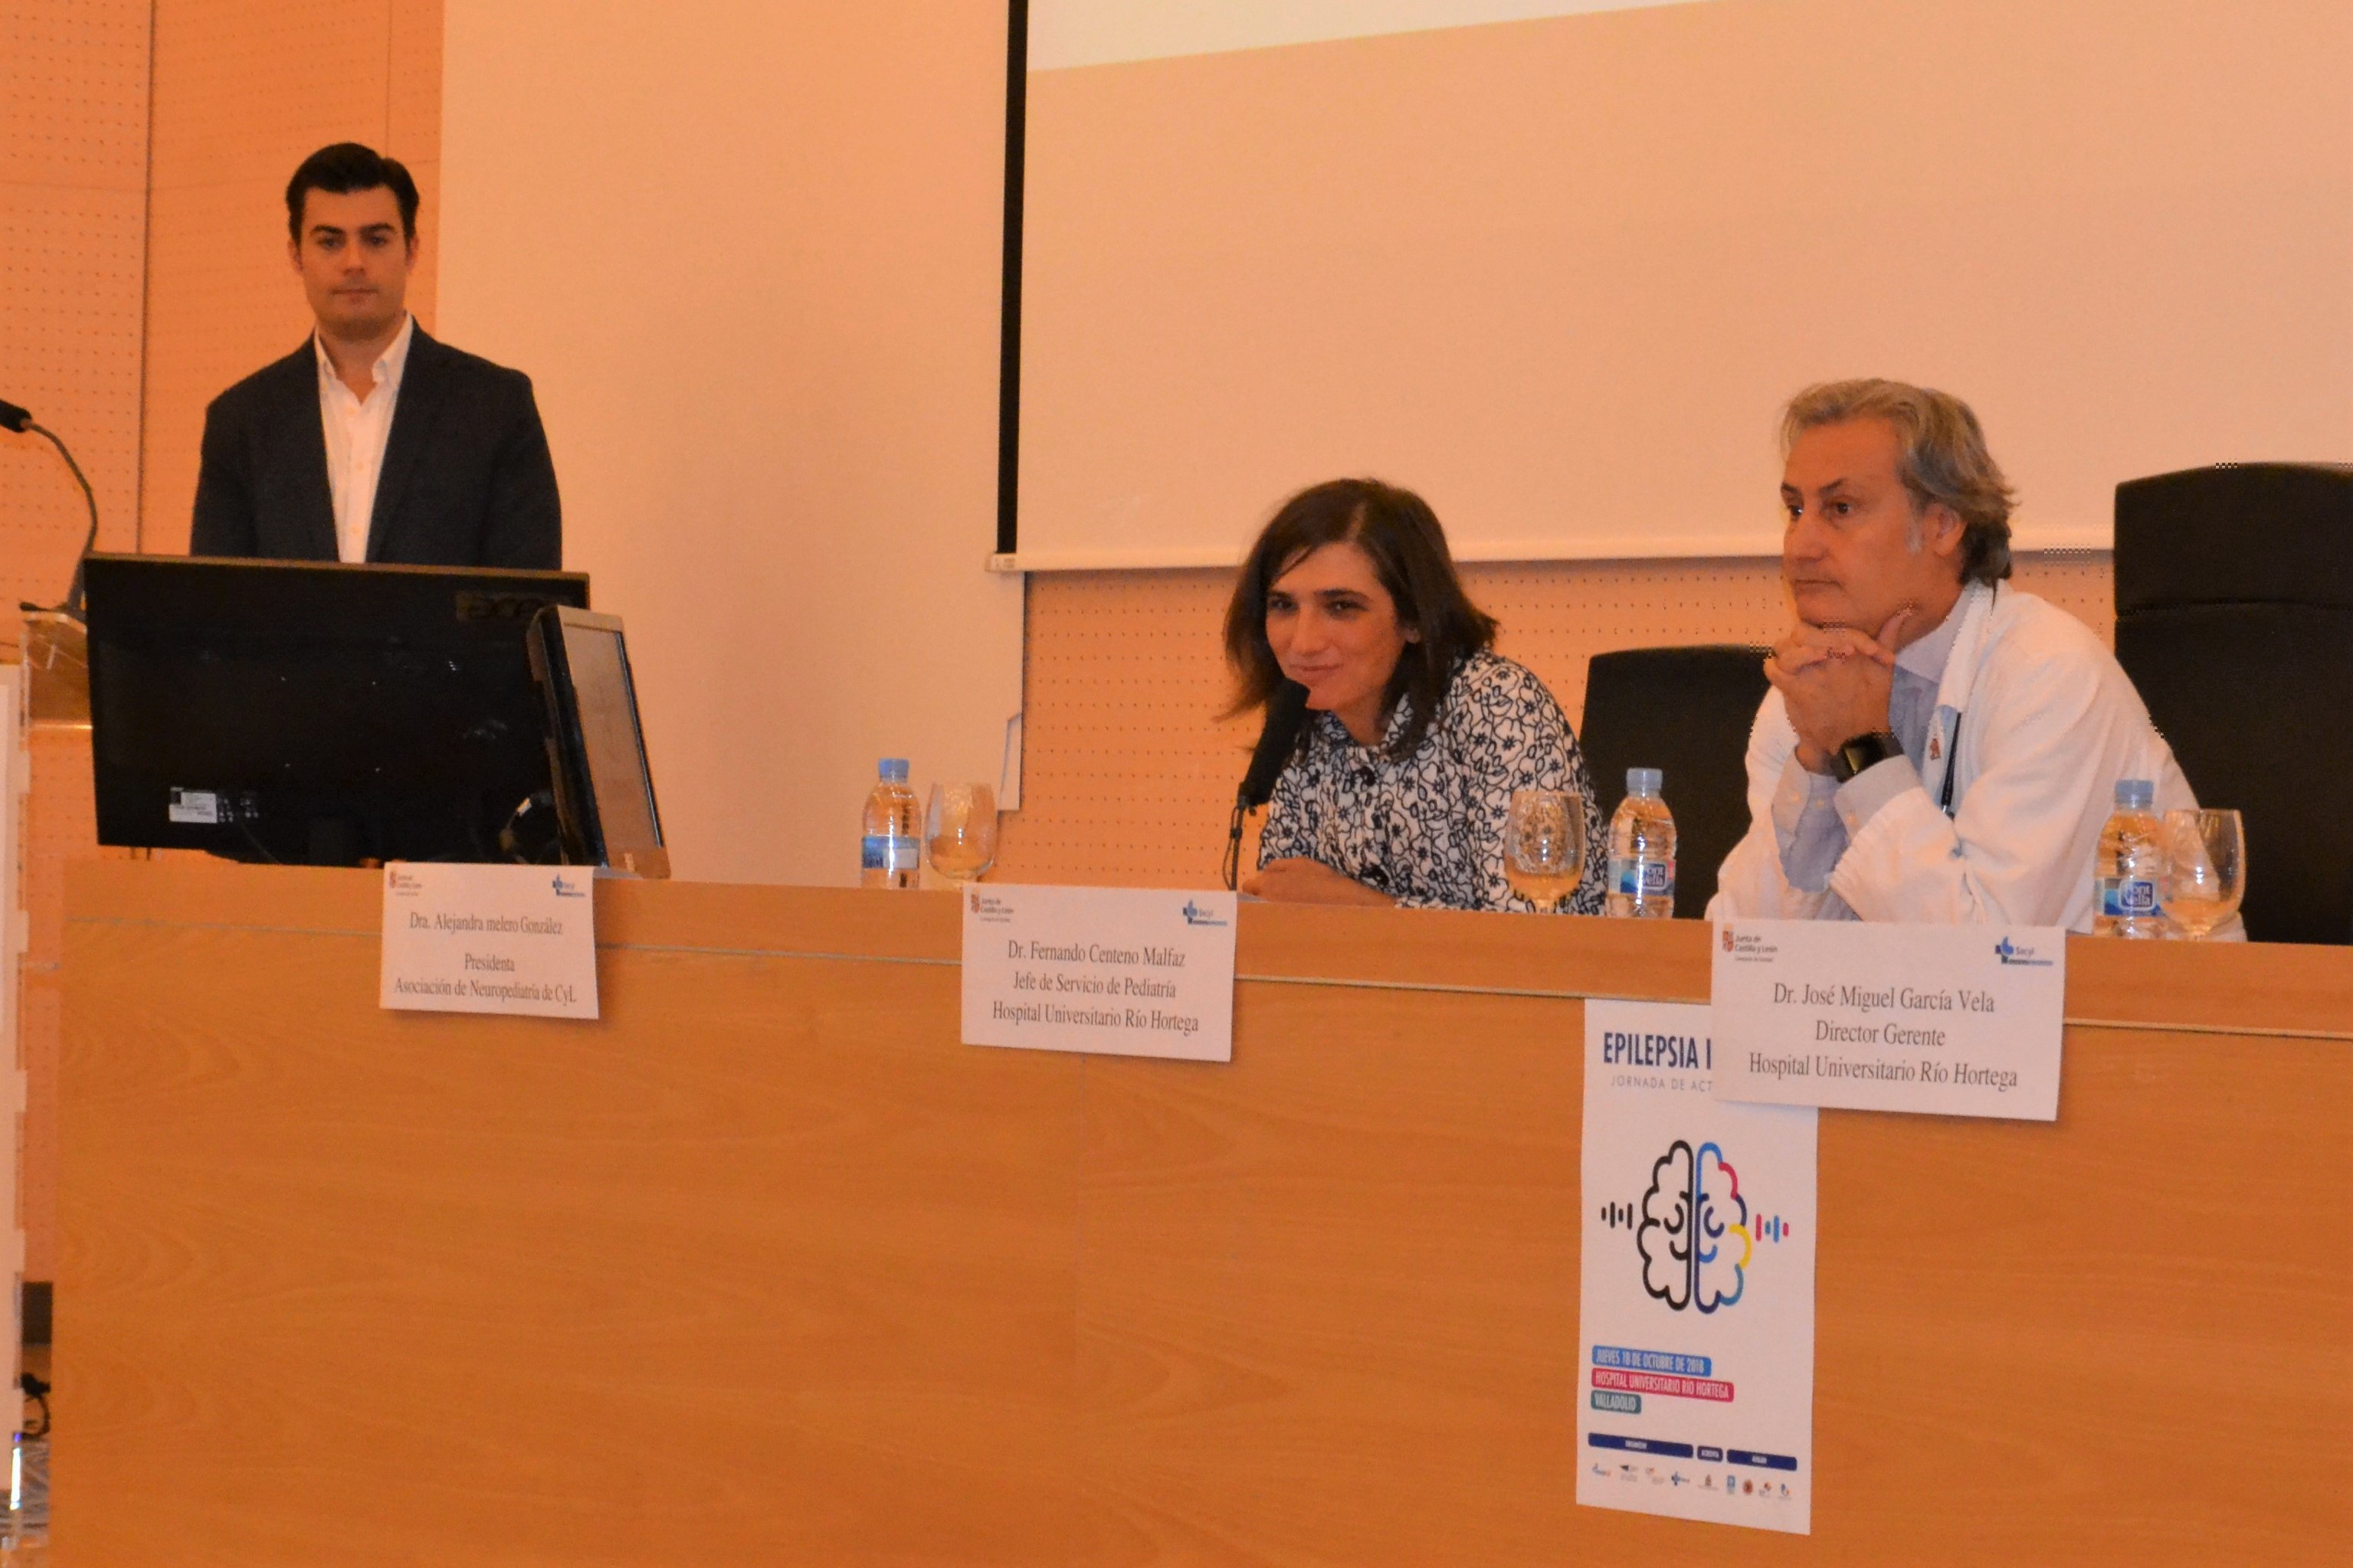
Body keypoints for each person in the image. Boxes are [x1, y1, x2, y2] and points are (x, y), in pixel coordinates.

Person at [1709, 378, 2205, 931]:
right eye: (1795, 510)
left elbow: (1987, 953)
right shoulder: (1809, 693)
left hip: (2137, 988)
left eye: (1841, 508)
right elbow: (1742, 941)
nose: (1800, 545)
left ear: (1942, 525)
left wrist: (1860, 747)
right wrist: (1817, 761)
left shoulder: (2048, 674)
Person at [1225, 477, 1607, 912]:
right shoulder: (1303, 719)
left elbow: (1532, 930)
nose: (1303, 642)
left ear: (1415, 619)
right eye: (1283, 606)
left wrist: (1356, 906)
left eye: (1341, 607)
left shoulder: (1500, 707)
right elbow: (1285, 904)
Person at [189, 142, 560, 568]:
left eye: (376, 240)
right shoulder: (242, 421)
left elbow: (527, 593)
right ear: (296, 256)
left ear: (412, 250)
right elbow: (216, 600)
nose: (354, 262)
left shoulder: (495, 407)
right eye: (330, 242)